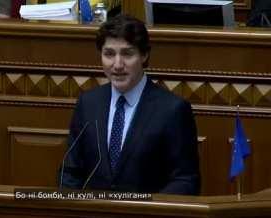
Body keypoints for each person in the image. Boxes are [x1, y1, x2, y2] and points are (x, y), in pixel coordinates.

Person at [60, 15, 200, 195]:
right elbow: (70, 172)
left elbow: (185, 180)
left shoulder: (173, 110)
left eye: (127, 54)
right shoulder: (88, 103)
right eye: (109, 54)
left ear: (144, 55)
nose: (117, 65)